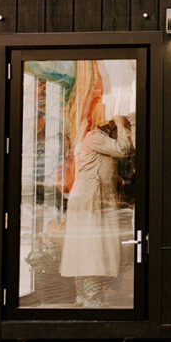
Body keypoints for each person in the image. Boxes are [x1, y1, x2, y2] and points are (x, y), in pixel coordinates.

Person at [60, 114, 134, 308]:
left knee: (86, 247)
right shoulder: (96, 137)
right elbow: (124, 149)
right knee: (93, 247)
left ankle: (84, 296)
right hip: (91, 201)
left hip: (89, 199)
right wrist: (121, 123)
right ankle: (91, 298)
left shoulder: (89, 138)